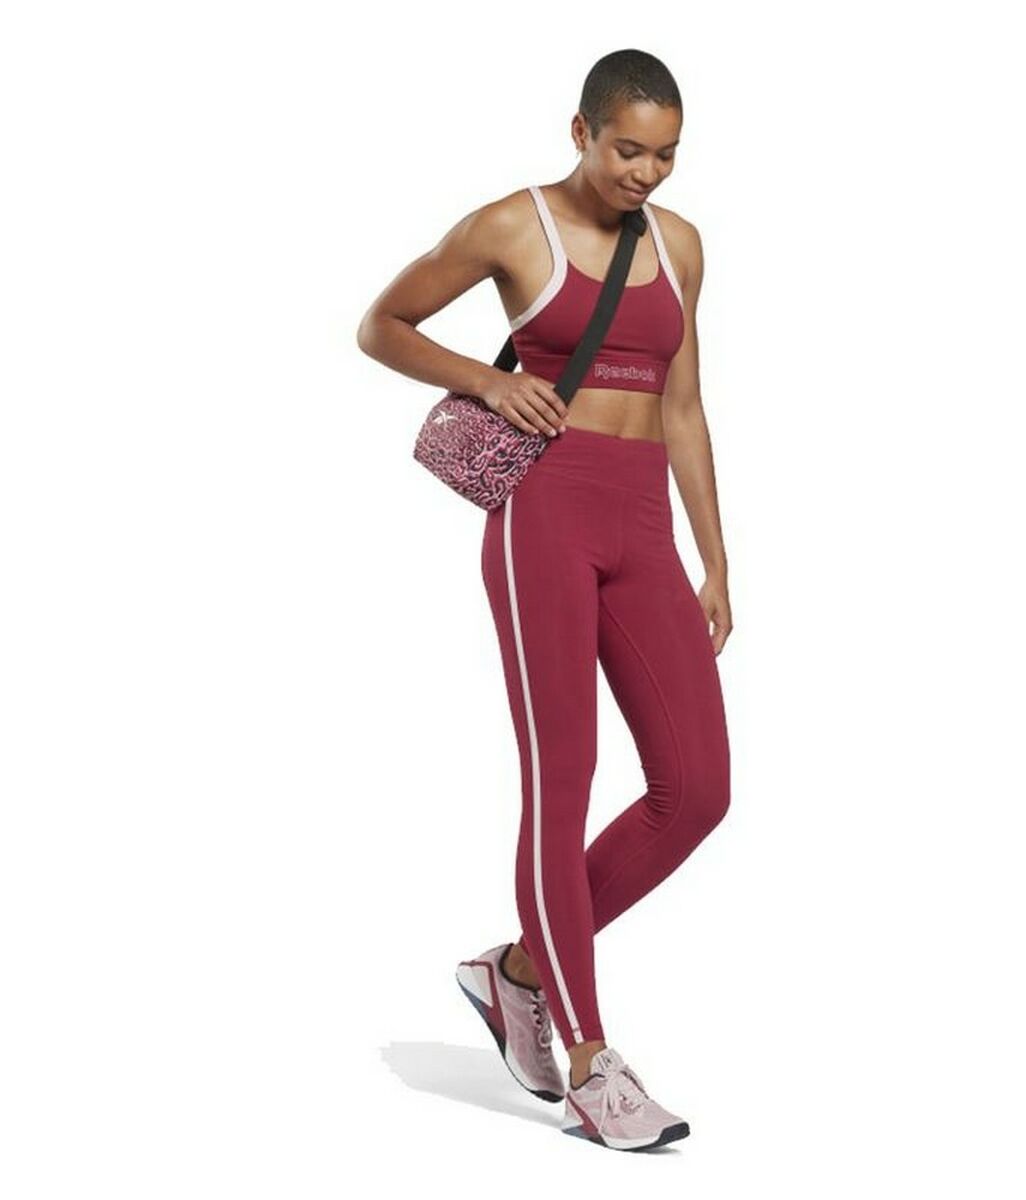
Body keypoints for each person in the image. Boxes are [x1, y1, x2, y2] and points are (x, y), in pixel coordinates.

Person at [356, 49, 731, 1152]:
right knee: (562, 781)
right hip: (545, 520)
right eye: (628, 150)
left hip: (642, 526)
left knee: (696, 790)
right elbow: (382, 324)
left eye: (665, 155)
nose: (645, 174)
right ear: (581, 132)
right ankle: (589, 1063)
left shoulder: (681, 246)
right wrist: (488, 379)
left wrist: (715, 559)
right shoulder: (510, 227)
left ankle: (517, 970)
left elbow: (685, 406)